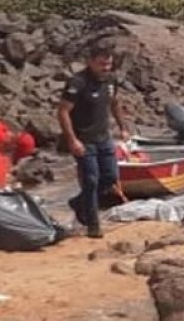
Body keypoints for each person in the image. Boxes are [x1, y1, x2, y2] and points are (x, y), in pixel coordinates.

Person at [59, 42, 130, 239]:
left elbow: (115, 103)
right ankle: (93, 225)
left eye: (108, 64)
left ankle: (78, 203)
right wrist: (72, 140)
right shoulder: (78, 82)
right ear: (90, 62)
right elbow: (63, 111)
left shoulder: (110, 80)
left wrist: (123, 128)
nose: (105, 68)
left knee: (110, 178)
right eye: (101, 64)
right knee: (91, 180)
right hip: (83, 139)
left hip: (104, 137)